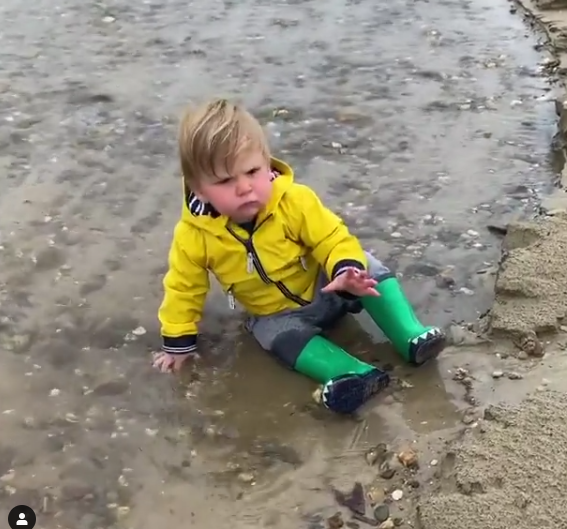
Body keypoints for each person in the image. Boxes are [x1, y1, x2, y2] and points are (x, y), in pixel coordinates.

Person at [153, 99, 446, 414]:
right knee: (272, 337)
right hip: (278, 314)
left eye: (252, 171)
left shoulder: (294, 201)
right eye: (225, 181)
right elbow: (183, 289)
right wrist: (178, 344)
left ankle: (410, 334)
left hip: (329, 285)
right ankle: (350, 373)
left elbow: (331, 236)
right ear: (198, 190)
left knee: (366, 264)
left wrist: (345, 270)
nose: (244, 187)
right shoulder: (194, 236)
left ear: (267, 164)